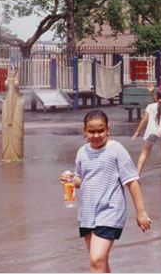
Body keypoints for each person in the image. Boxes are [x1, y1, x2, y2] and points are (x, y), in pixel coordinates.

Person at [60, 110, 151, 272]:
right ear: (85, 131)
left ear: (108, 129)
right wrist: (70, 181)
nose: (96, 135)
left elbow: (132, 181)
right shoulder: (82, 152)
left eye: (101, 131)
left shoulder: (116, 150)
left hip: (110, 212)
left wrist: (140, 212)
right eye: (92, 131)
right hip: (87, 214)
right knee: (100, 263)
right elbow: (81, 179)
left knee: (96, 260)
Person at [131, 90, 161, 175]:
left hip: (151, 130)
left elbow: (144, 120)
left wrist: (136, 133)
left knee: (144, 153)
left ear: (156, 97)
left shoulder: (150, 106)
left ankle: (137, 174)